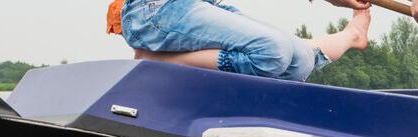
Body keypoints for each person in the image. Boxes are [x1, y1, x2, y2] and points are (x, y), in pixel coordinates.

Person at [108, 0, 374, 81]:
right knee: (272, 52)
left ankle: (351, 34)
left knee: (298, 64)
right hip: (155, 10)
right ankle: (153, 58)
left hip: (197, 5)